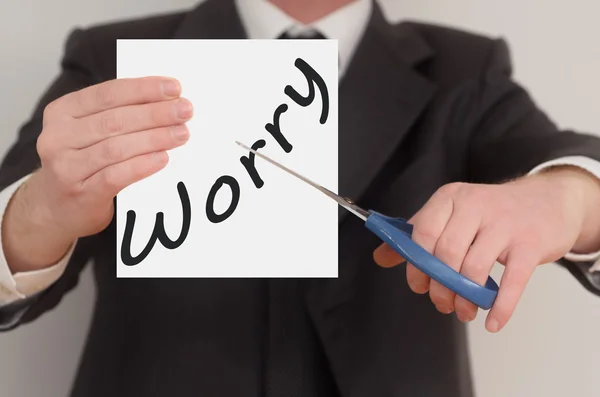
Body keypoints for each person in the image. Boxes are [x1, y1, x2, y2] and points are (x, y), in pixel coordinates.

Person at [1, 0, 599, 395]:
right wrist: (45, 209)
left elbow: (574, 169)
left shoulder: (465, 71)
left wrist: (564, 199)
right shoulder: (112, 58)